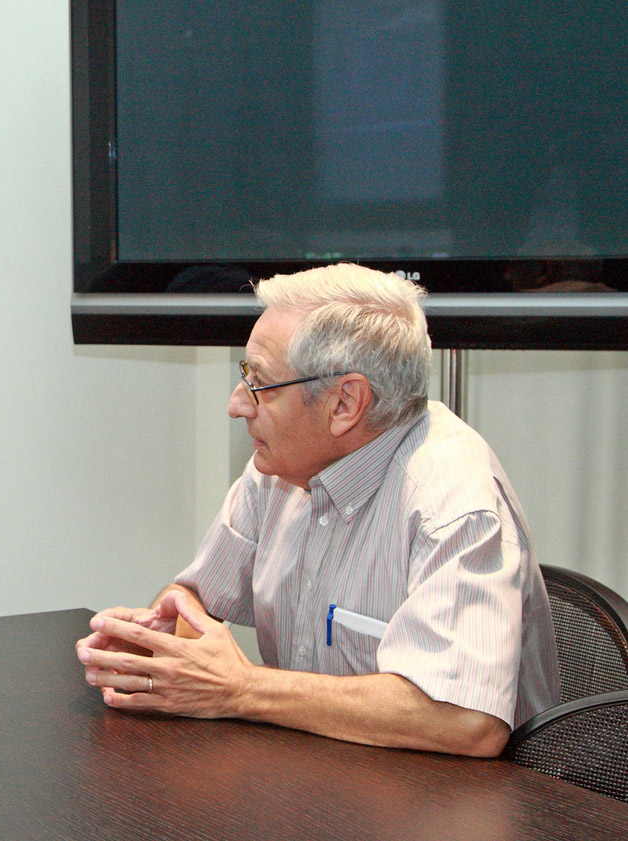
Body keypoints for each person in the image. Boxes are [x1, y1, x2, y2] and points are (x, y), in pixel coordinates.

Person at [76, 263, 559, 758]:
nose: (237, 404)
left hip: (454, 803)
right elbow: (195, 596)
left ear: (345, 403)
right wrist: (166, 643)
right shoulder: (279, 467)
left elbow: (466, 721)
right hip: (318, 775)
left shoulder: (451, 503)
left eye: (259, 383)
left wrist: (241, 688)